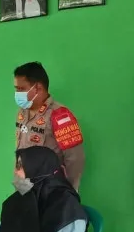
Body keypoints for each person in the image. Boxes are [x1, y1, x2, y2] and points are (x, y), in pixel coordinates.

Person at [14, 62, 85, 190]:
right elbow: (21, 149)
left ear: (38, 88)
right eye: (16, 88)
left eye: (21, 89)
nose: (17, 93)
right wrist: (20, 187)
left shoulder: (60, 115)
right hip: (25, 186)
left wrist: (68, 192)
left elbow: (75, 159)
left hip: (50, 189)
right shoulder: (23, 112)